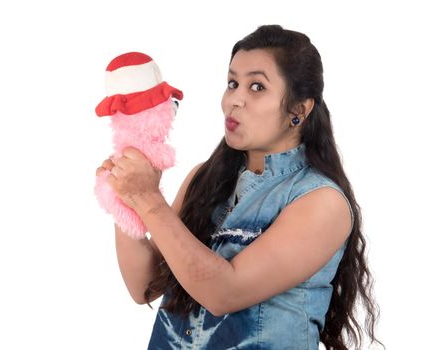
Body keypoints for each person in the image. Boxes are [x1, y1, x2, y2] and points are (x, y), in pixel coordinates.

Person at [96, 25, 382, 350]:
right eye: (232, 83)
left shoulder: (320, 202)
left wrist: (147, 199)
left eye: (257, 87)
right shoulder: (203, 179)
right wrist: (124, 198)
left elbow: (224, 292)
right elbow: (144, 285)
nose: (234, 100)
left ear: (299, 110)